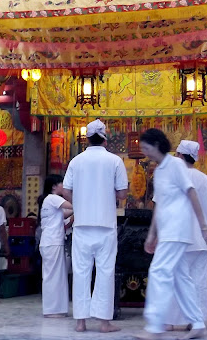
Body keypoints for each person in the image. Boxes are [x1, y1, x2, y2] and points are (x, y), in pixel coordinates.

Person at [136, 129, 207, 340]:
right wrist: (152, 234)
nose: (145, 152)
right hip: (167, 229)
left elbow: (191, 193)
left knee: (158, 272)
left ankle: (154, 325)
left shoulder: (176, 165)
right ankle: (197, 323)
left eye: (146, 148)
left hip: (177, 229)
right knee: (181, 278)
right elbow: (159, 205)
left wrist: (204, 227)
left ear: (157, 144)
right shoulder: (160, 171)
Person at [62, 119, 128, 333]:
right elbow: (122, 194)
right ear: (105, 138)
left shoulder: (76, 161)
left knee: (80, 272)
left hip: (82, 226)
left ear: (87, 139)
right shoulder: (115, 161)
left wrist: (80, 204)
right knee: (105, 272)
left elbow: (66, 191)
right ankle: (103, 323)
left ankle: (80, 322)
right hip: (106, 225)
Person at [167, 140, 207, 330]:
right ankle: (196, 321)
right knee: (199, 280)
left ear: (179, 155)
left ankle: (171, 321)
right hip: (203, 240)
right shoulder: (205, 179)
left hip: (179, 238)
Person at [38, 174, 73, 317]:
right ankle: (52, 310)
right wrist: (68, 194)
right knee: (53, 276)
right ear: (54, 186)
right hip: (52, 242)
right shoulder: (53, 198)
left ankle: (56, 309)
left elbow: (66, 214)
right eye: (61, 184)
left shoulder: (48, 200)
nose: (63, 186)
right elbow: (73, 205)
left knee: (55, 276)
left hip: (50, 242)